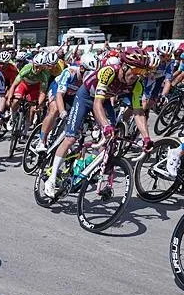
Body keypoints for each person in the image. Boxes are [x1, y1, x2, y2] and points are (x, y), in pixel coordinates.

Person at [44, 52, 151, 197]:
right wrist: (105, 126)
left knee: (112, 136)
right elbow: (96, 104)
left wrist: (146, 138)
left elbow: (138, 112)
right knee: (71, 138)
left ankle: (90, 164)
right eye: (136, 71)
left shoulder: (137, 84)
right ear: (124, 67)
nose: (137, 76)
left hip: (104, 100)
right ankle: (51, 177)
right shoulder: (109, 71)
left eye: (142, 72)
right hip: (86, 97)